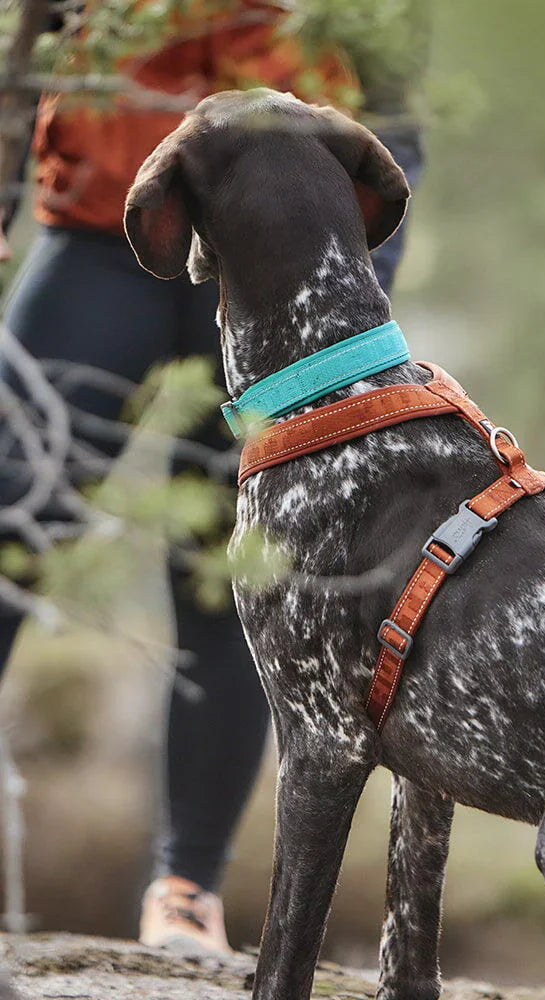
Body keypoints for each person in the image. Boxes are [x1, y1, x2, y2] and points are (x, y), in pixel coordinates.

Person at [0, 0, 425, 954]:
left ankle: (185, 892)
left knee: (236, 568)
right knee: (9, 522)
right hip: (97, 220)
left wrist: (362, 253)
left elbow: (394, 83)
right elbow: (29, 30)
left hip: (269, 246)